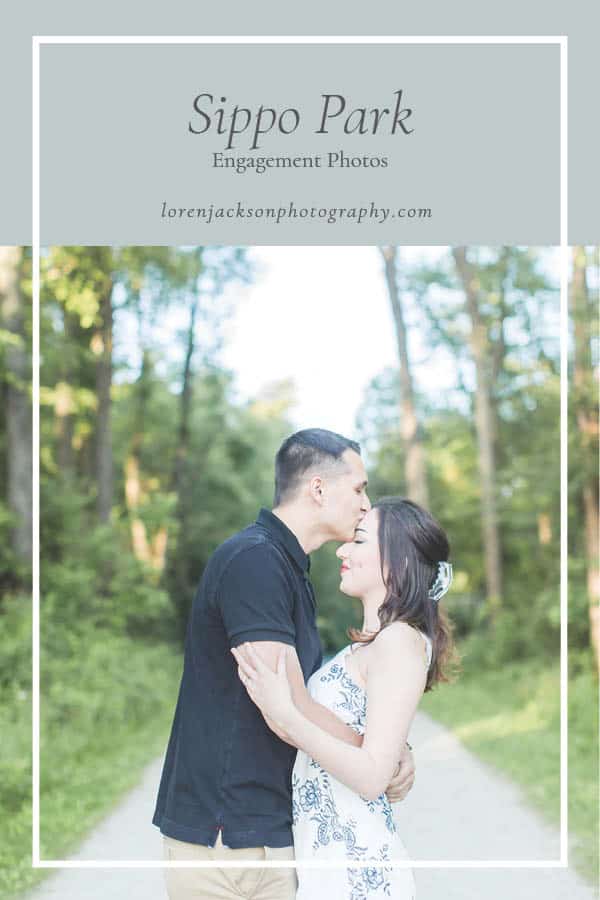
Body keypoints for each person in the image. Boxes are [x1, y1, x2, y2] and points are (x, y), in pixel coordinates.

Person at [153, 429, 416, 900]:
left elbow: (306, 701)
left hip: (265, 832)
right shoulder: (256, 562)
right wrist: (381, 754)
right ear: (318, 488)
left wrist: (390, 743)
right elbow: (285, 705)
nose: (364, 503)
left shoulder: (287, 568)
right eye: (358, 488)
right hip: (230, 839)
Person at [233, 497, 455, 899]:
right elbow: (371, 736)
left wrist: (288, 716)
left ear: (397, 561)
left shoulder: (399, 641)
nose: (342, 550)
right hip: (332, 864)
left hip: (358, 872)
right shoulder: (377, 644)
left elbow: (372, 777)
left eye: (358, 541)